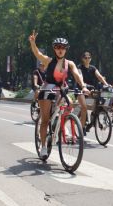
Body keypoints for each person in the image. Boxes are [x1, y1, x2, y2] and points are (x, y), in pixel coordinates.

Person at [29, 30, 89, 159]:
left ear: (66, 49)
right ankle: (44, 146)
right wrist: (33, 42)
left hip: (62, 89)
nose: (60, 50)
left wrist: (83, 86)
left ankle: (60, 126)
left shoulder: (70, 63)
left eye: (62, 48)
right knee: (45, 120)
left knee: (70, 105)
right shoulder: (48, 61)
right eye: (57, 47)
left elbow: (77, 76)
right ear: (54, 49)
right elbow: (37, 53)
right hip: (48, 88)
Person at [76, 51, 110, 130]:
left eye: (89, 58)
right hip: (81, 90)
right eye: (85, 58)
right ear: (83, 59)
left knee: (98, 101)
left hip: (91, 90)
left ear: (91, 59)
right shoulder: (79, 67)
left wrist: (106, 84)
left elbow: (100, 77)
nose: (87, 59)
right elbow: (80, 76)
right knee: (84, 108)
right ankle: (81, 128)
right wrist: (83, 86)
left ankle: (92, 119)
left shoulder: (93, 68)